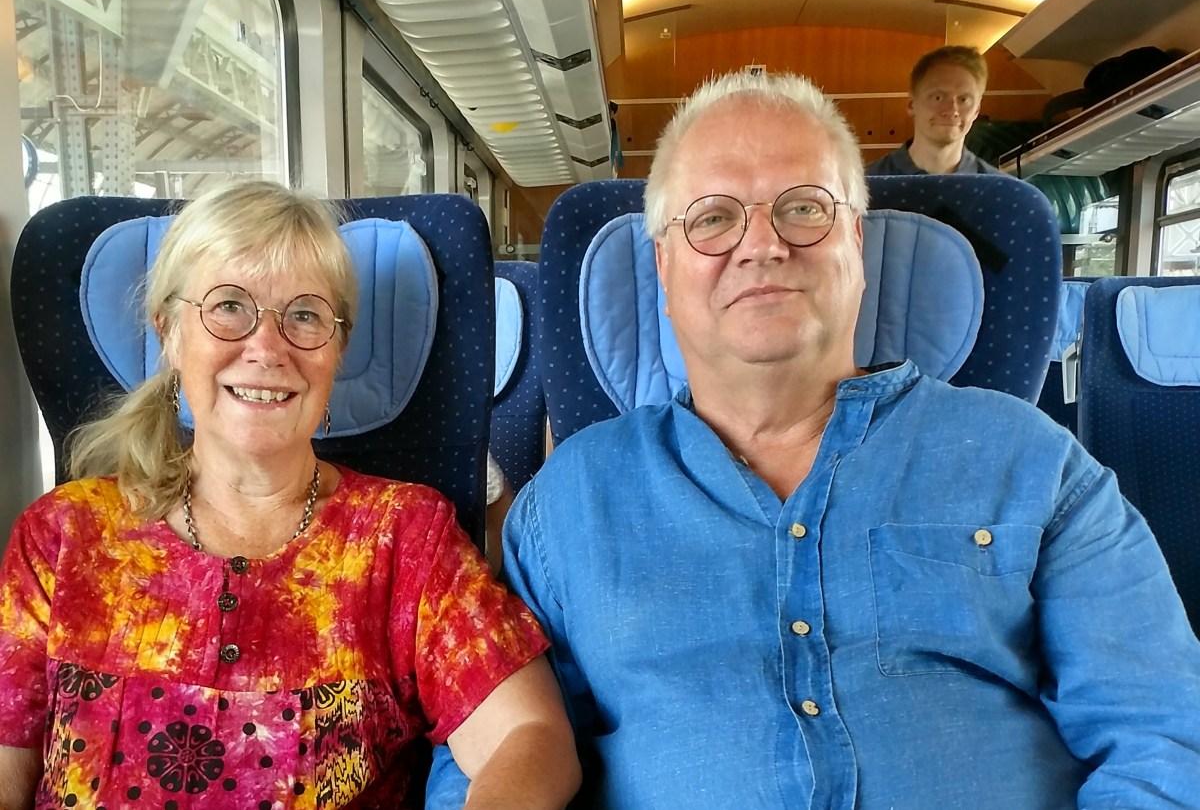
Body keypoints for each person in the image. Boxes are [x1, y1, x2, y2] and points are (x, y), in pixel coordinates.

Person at [497, 72, 1200, 807]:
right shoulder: (566, 505)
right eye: (713, 217)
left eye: (803, 208)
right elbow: (498, 754)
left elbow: (1165, 735)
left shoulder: (1031, 461)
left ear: (856, 243)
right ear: (664, 267)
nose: (762, 244)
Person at [0, 181, 580, 809]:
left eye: (304, 315)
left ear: (338, 349)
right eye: (229, 306)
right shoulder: (63, 535)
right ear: (169, 332)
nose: (267, 348)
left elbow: (531, 735)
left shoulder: (404, 537)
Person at [865, 44, 1004, 176]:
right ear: (911, 105)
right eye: (938, 97)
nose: (952, 110)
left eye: (963, 100)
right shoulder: (865, 184)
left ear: (976, 110)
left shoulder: (1001, 188)